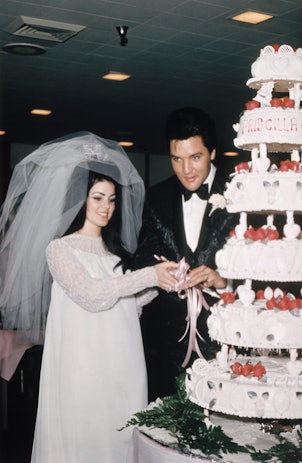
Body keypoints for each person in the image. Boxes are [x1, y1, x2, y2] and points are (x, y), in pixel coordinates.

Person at [0, 132, 177, 463]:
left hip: (123, 360)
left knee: (121, 439)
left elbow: (127, 305)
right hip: (84, 364)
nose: (106, 207)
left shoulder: (116, 253)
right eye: (97, 198)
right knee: (87, 437)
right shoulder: (60, 249)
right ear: (80, 199)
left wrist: (162, 282)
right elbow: (92, 294)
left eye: (111, 199)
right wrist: (148, 276)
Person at [133, 107, 238, 400]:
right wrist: (158, 273)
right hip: (170, 345)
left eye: (195, 157)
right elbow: (142, 257)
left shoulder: (242, 194)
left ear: (213, 152)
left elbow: (267, 269)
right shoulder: (156, 197)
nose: (186, 170)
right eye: (177, 159)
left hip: (230, 341)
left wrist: (224, 281)